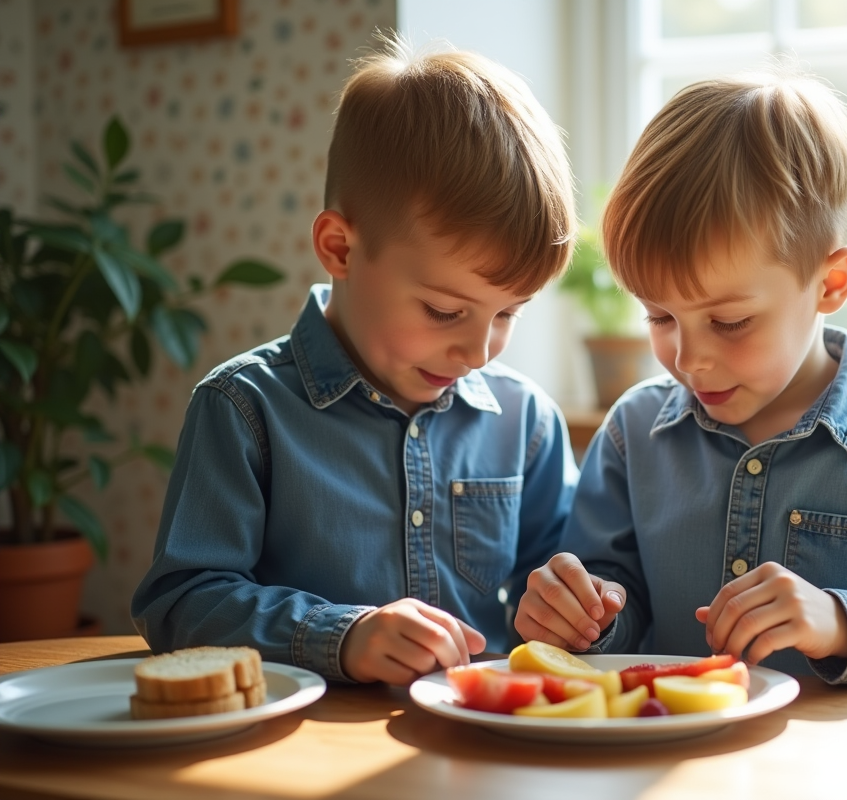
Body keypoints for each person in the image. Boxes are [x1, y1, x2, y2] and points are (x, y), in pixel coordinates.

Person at [514, 70, 847, 683]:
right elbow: (614, 601)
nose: (690, 357)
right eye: (660, 316)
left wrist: (839, 620)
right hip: (667, 773)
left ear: (830, 283)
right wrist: (583, 612)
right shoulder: (632, 434)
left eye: (729, 321)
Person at [132, 37, 579, 686]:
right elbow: (179, 602)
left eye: (508, 313)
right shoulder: (244, 410)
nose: (479, 351)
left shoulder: (526, 421)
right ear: (339, 248)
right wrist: (339, 635)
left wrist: (577, 602)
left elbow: (563, 584)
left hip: (481, 755)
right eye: (445, 311)